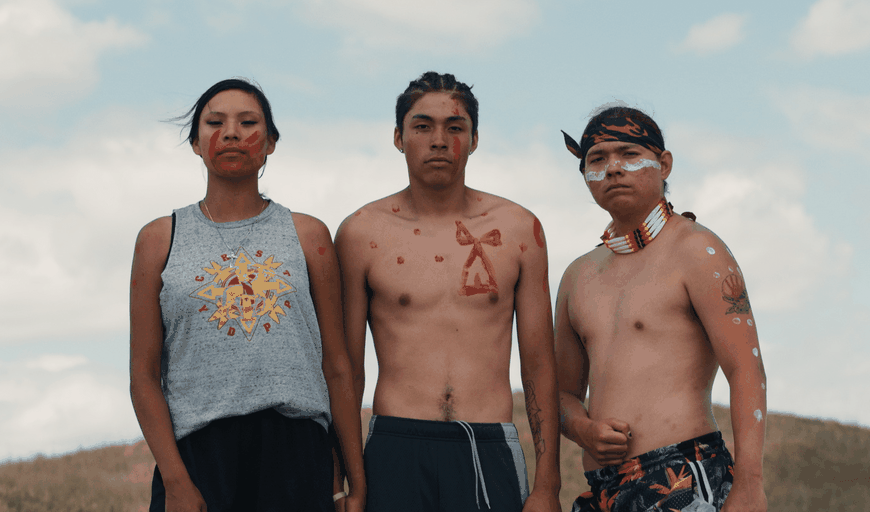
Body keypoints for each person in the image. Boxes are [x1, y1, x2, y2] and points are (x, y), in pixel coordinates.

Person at [129, 78, 365, 512]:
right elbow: (144, 376)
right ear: (196, 144)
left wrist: (355, 480)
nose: (232, 132)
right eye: (215, 122)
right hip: (198, 456)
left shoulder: (308, 236)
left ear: (270, 142)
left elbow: (336, 365)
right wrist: (177, 482)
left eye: (248, 122)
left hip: (296, 454)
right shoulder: (158, 240)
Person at [335, 71, 561, 512]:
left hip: (488, 441)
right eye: (422, 127)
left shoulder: (518, 228)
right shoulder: (362, 232)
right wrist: (343, 481)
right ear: (399, 138)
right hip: (395, 443)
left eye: (454, 128)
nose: (439, 140)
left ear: (474, 140)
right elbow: (345, 371)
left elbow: (539, 363)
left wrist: (547, 485)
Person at [555, 106, 768, 512]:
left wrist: (750, 484)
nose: (613, 168)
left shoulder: (698, 250)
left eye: (630, 154)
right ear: (584, 174)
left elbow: (745, 369)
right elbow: (562, 393)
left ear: (664, 164)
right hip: (602, 490)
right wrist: (584, 429)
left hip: (685, 474)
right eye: (597, 160)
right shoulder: (577, 276)